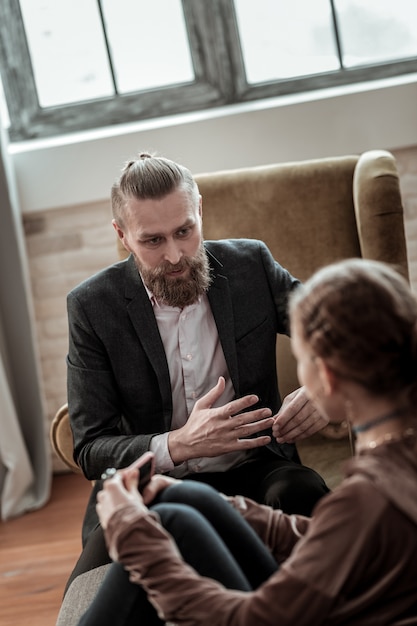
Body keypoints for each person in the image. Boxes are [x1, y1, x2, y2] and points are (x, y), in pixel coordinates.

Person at [78, 258, 417, 626]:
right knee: (177, 503)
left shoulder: (366, 501)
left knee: (162, 522)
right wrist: (219, 505)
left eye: (300, 359)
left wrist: (132, 533)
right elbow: (336, 538)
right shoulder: (396, 467)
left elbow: (247, 620)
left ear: (328, 377)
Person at [65, 152, 329, 584]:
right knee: (94, 584)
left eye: (185, 231)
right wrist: (179, 444)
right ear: (123, 235)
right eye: (153, 241)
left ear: (200, 211)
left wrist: (322, 389)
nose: (175, 256)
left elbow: (343, 326)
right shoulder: (92, 307)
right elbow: (91, 449)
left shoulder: (251, 266)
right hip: (151, 486)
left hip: (257, 468)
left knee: (305, 497)